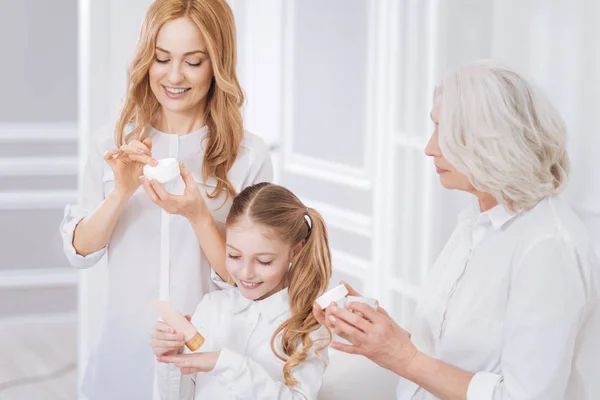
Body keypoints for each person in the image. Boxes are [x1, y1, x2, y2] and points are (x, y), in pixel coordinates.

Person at [314, 59, 600, 400]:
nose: (429, 147)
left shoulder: (548, 247)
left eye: (442, 131)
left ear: (491, 142)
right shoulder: (477, 222)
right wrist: (375, 329)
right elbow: (443, 351)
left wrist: (403, 357)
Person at [59, 1, 272, 398]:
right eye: (162, 58)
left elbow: (249, 280)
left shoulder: (247, 156)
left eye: (193, 61)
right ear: (147, 59)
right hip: (123, 355)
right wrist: (121, 191)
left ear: (217, 64)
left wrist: (198, 217)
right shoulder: (113, 142)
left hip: (207, 361)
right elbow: (79, 250)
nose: (174, 76)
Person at [150, 182, 332, 398]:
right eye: (234, 256)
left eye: (263, 261)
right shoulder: (212, 307)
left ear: (295, 252)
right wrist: (172, 359)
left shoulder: (307, 326)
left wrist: (227, 364)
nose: (245, 273)